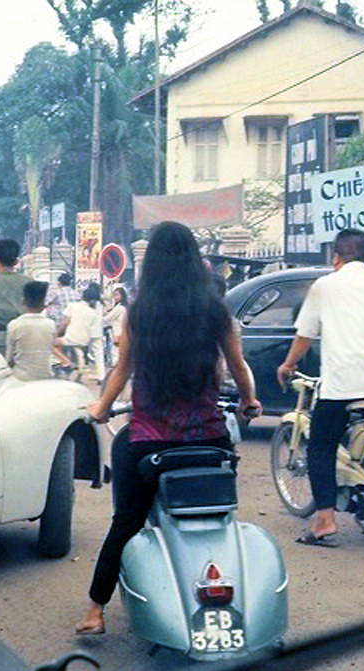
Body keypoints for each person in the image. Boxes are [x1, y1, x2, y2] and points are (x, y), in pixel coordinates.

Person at [74, 221, 260, 636]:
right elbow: (237, 366)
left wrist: (102, 407)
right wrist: (248, 401)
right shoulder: (215, 309)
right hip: (210, 441)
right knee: (220, 515)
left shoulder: (139, 312)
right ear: (195, 260)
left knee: (126, 521)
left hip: (149, 444)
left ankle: (94, 610)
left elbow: (122, 369)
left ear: (151, 263)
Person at [276, 228, 364, 547]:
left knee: (321, 446)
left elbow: (305, 334)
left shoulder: (326, 285)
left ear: (335, 257)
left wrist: (288, 365)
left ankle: (324, 520)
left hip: (344, 385)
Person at [5, 281, 67, 380]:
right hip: (46, 375)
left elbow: (9, 359)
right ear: (43, 304)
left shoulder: (14, 325)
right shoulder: (50, 325)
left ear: (23, 301)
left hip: (20, 377)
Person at [56, 283, 103, 380]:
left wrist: (57, 333)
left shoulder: (73, 306)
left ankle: (65, 361)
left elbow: (65, 322)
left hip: (73, 337)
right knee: (98, 354)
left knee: (51, 343)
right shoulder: (94, 310)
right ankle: (99, 374)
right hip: (87, 337)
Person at [103, 286, 128, 366]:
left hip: (117, 331)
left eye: (117, 295)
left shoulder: (119, 308)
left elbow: (108, 318)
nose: (115, 297)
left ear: (122, 296)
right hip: (122, 331)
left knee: (115, 352)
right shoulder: (124, 306)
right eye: (114, 295)